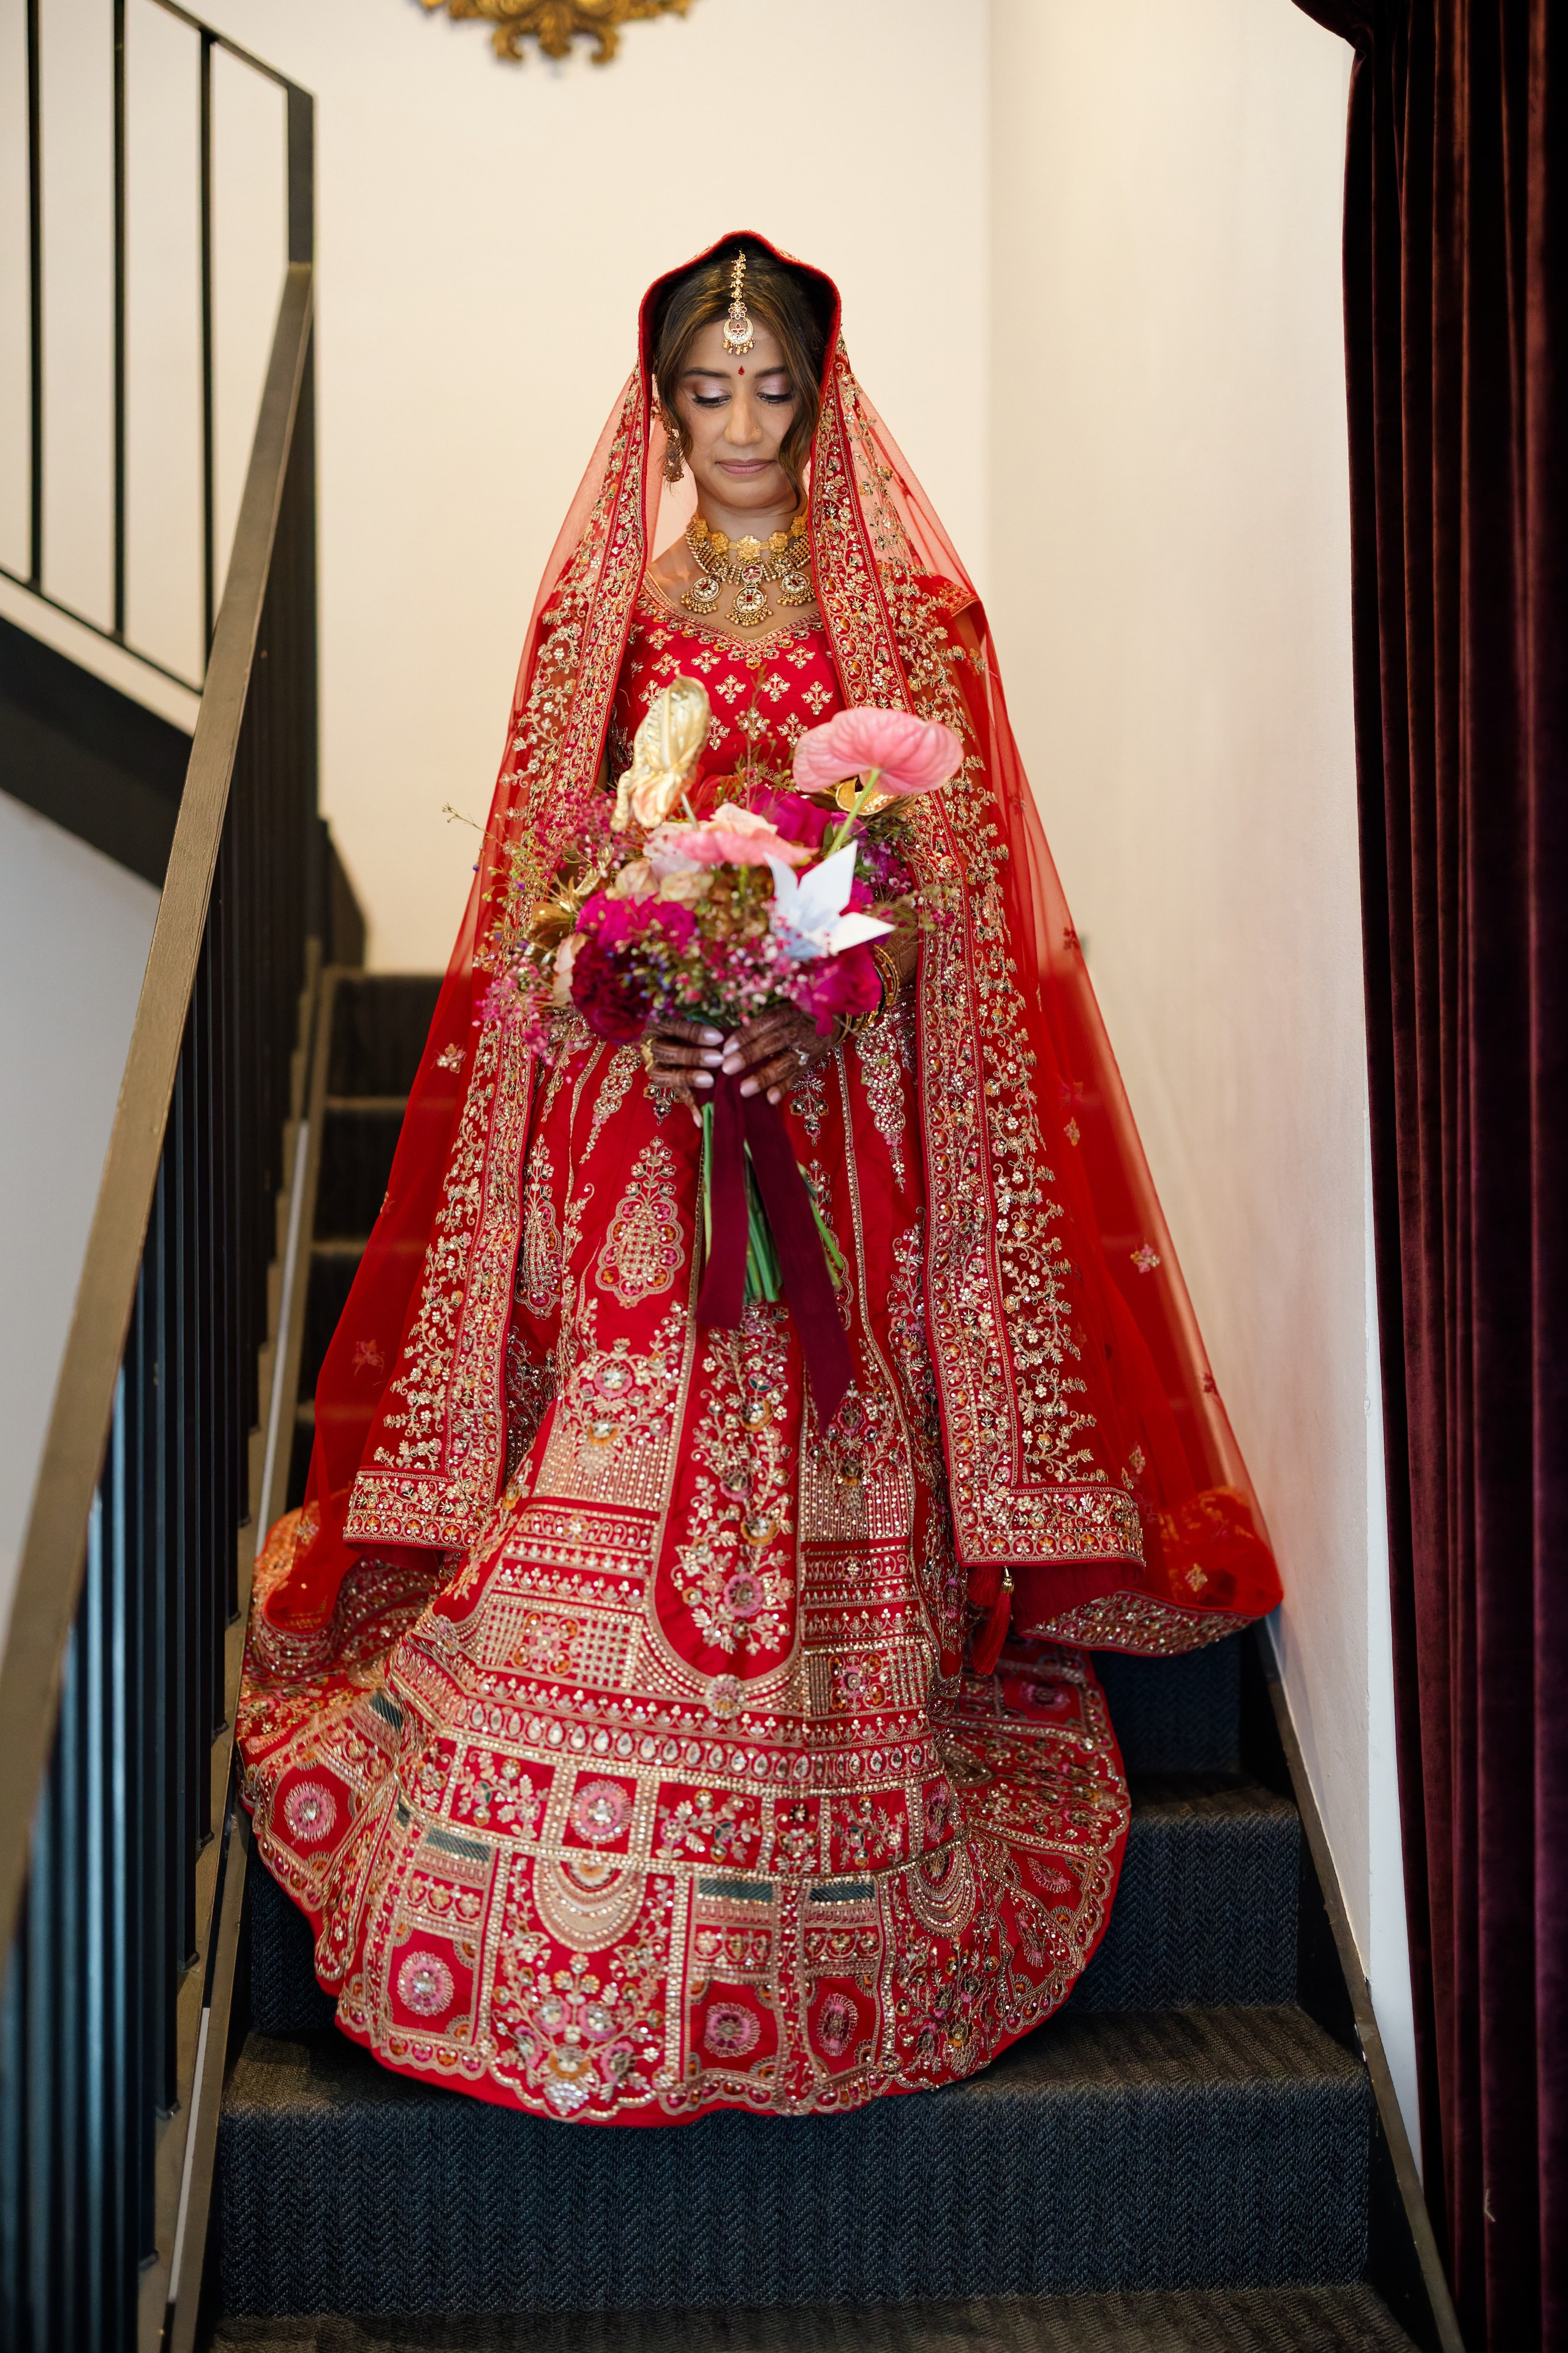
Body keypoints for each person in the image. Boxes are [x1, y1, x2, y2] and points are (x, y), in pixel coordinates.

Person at [236, 234, 1283, 2124]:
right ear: (663, 410)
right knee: (627, 1413)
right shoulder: (611, 619)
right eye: (705, 393)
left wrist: (821, 1003)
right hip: (647, 1100)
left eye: (771, 388)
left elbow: (943, 883)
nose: (738, 426)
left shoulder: (897, 623)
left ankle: (824, 1793)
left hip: (836, 1091)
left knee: (829, 1409)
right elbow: (554, 877)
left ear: (822, 397)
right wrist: (653, 992)